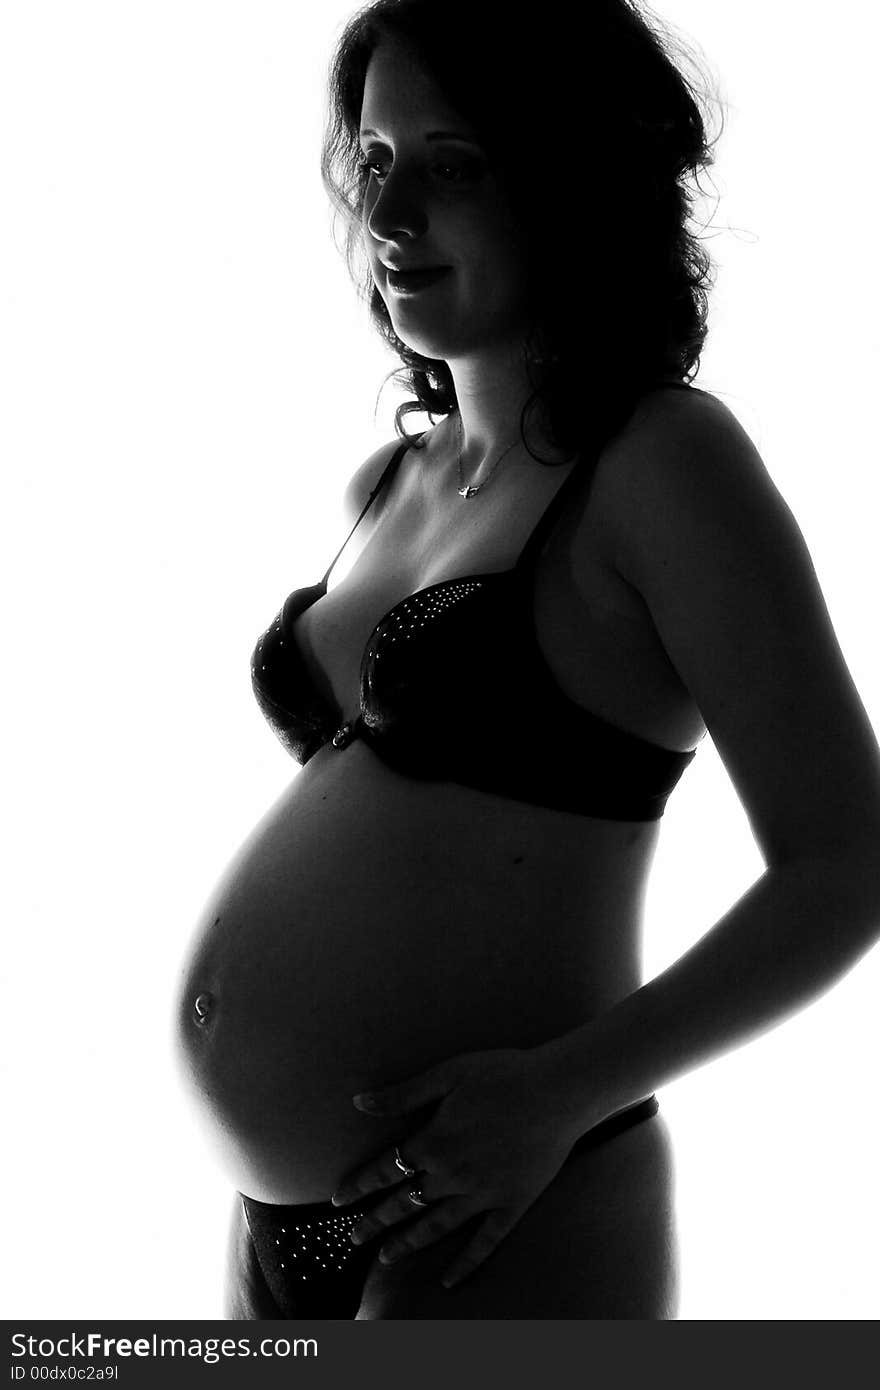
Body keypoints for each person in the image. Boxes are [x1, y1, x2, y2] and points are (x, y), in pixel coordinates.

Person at [173, 0, 880, 1319]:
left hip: (507, 1198)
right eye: (374, 162)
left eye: (451, 162)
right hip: (284, 1226)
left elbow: (848, 862)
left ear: (567, 180)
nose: (390, 217)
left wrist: (560, 1092)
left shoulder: (662, 463)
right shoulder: (390, 482)